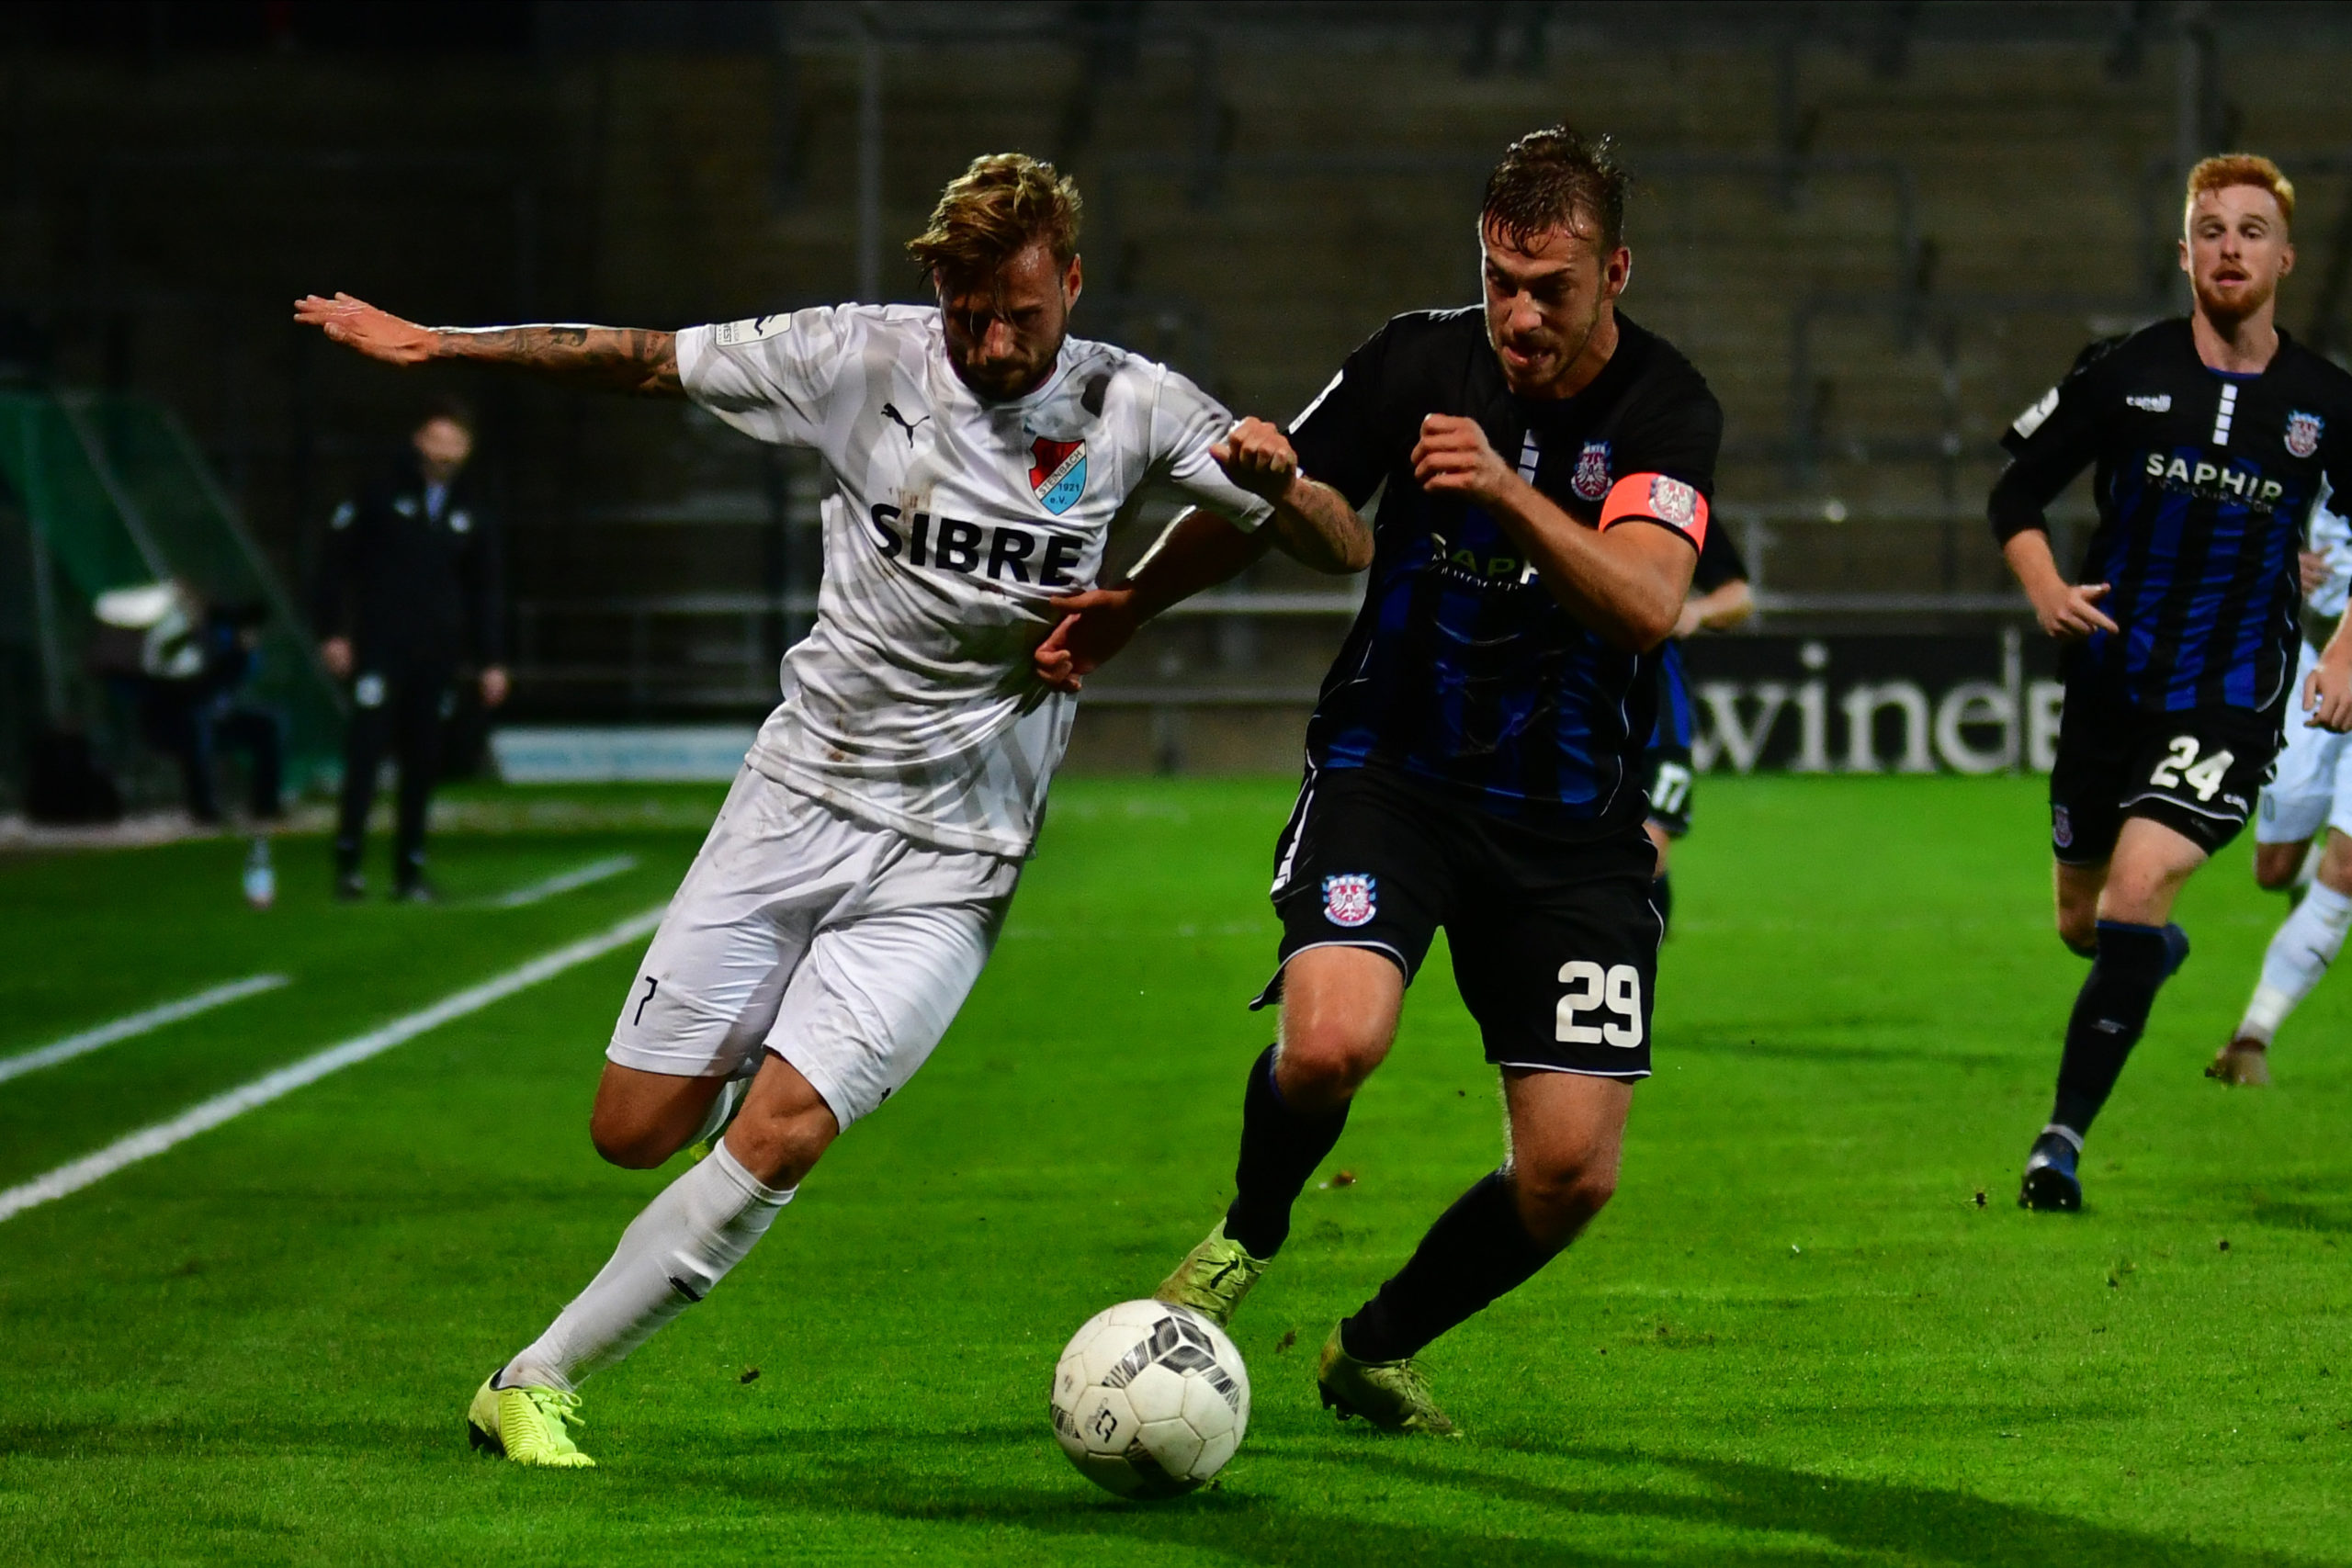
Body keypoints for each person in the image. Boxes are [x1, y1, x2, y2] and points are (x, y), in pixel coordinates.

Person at [295, 152, 1370, 1467]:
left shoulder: (1133, 402)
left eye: (1020, 315)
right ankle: (742, 1092)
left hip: (956, 858)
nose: (993, 343)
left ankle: (535, 1378)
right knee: (633, 1130)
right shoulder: (854, 356)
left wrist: (1283, 480)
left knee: (787, 1131)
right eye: (968, 314)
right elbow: (643, 358)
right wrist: (440, 342)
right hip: (794, 799)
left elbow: (1341, 543)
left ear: (1072, 285)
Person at [1144, 126, 1721, 1436]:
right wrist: (1140, 595)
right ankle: (1250, 1228)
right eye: (1499, 280)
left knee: (1569, 1175)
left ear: (1615, 271)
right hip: (1391, 774)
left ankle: (1374, 1346)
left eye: (1550, 288)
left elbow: (1646, 606)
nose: (1519, 315)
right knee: (1332, 1040)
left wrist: (1506, 491)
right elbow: (1306, 517)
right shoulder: (1414, 360)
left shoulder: (1666, 407)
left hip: (1569, 825)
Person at [1991, 153, 2352, 1212]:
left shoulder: (2326, 401)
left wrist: (2341, 654)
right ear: (2184, 252)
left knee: (2137, 889)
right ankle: (2143, 958)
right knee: (2084, 923)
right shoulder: (2122, 371)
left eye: (2250, 231)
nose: (2229, 247)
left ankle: (2057, 1144)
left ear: (2284, 258)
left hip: (2227, 696)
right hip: (2109, 683)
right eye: (2210, 230)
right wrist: (2044, 586)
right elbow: (2014, 490)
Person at [310, 400, 509, 902]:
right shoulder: (379, 496)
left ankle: (410, 870)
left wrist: (490, 659)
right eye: (438, 440)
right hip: (380, 649)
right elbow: (334, 566)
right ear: (420, 440)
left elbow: (485, 590)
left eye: (455, 443)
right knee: (365, 753)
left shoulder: (471, 511)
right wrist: (333, 632)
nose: (446, 452)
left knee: (422, 762)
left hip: (437, 656)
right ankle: (349, 864)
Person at [2211, 491, 2352, 1084]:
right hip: (2309, 662)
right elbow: (2243, 498)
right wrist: (2276, 555)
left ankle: (2251, 1038)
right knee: (2273, 869)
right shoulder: (2318, 444)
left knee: (2346, 869)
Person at [1640, 523, 1752, 931]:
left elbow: (1739, 596)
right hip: (1571, 704)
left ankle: (1641, 952)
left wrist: (1695, 612)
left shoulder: (1673, 502)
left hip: (1657, 710)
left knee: (1646, 853)